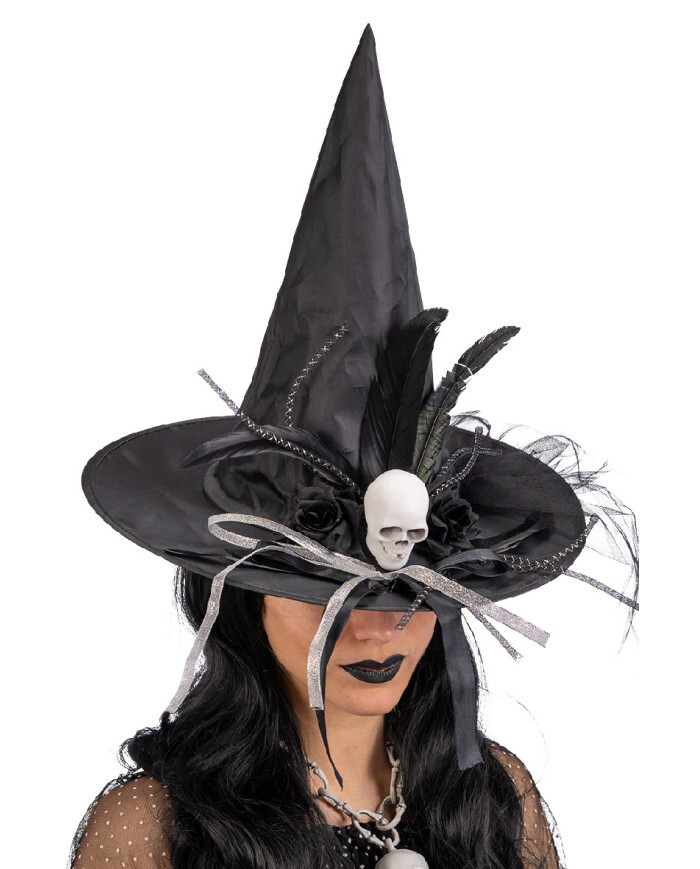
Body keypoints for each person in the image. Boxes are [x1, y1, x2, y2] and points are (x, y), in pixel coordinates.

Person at [70, 25, 637, 869]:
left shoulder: (491, 800)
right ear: (247, 591)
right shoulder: (157, 824)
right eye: (331, 590)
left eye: (409, 590)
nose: (380, 627)